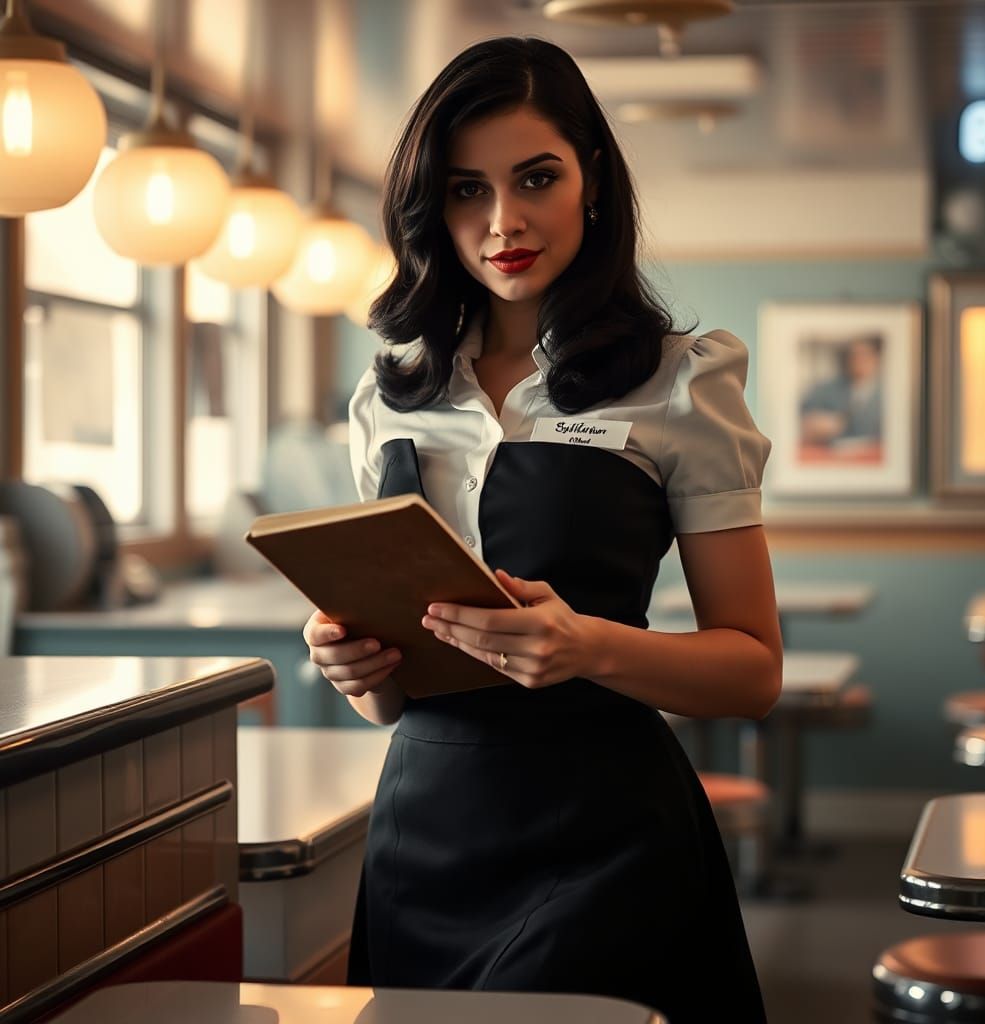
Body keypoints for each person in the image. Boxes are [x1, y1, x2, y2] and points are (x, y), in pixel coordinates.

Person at [303, 36, 782, 1024]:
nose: (503, 221)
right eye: (465, 190)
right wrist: (358, 668)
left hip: (604, 830)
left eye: (535, 178)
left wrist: (585, 644)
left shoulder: (680, 377)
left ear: (592, 179)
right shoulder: (387, 395)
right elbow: (390, 706)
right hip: (423, 832)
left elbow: (753, 669)